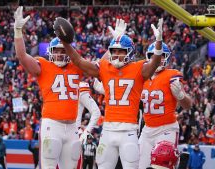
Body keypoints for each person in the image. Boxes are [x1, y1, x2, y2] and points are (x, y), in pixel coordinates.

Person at [59, 17, 164, 168]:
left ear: (130, 53)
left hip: (129, 131)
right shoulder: (105, 67)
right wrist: (65, 43)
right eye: (114, 51)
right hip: (108, 130)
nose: (116, 55)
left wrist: (158, 42)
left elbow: (155, 62)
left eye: (121, 51)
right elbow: (79, 61)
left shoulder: (138, 68)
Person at [14, 7, 82, 168]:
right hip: (52, 125)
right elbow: (22, 57)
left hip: (72, 126)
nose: (59, 54)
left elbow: (101, 67)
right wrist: (18, 31)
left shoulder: (77, 65)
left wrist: (114, 44)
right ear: (51, 52)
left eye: (62, 50)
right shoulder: (43, 65)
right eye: (56, 51)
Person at [138, 41, 192, 169]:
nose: (157, 58)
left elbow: (188, 105)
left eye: (162, 55)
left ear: (167, 57)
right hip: (147, 129)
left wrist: (181, 96)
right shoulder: (142, 76)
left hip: (166, 129)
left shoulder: (172, 75)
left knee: (164, 165)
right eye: (154, 55)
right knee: (139, 165)